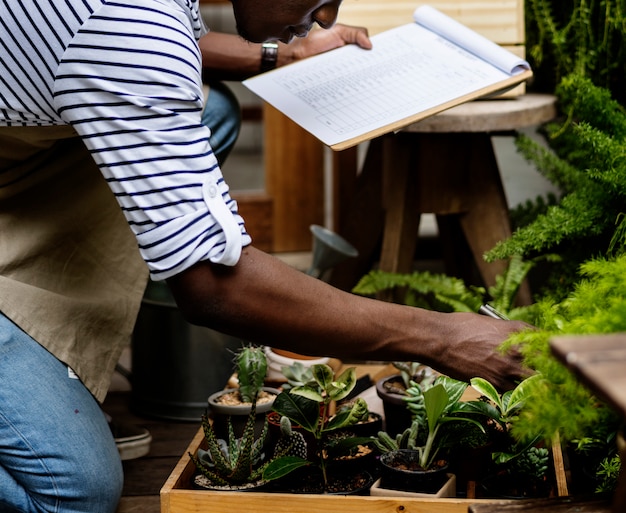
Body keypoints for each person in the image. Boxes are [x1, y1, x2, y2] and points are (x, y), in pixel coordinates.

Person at [0, 1, 529, 512]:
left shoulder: (139, 19)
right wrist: (440, 337)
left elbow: (172, 43)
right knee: (68, 492)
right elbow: (213, 284)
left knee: (215, 113)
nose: (328, 16)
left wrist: (281, 55)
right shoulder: (124, 25)